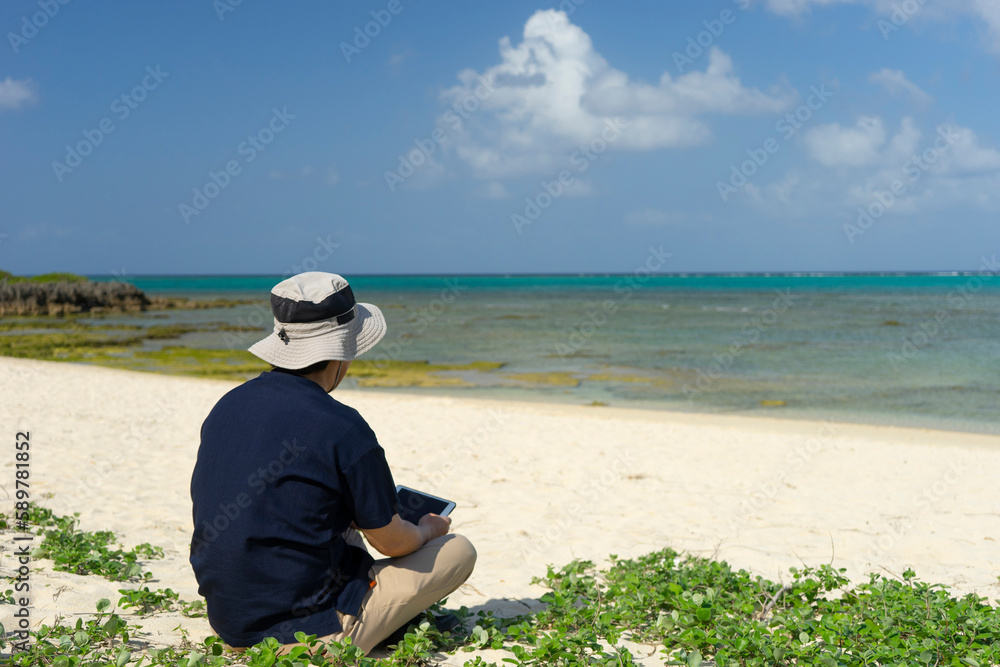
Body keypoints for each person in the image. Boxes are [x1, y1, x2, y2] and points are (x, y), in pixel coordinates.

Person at [189, 272, 476, 654]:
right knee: (459, 550)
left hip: (229, 620)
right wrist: (426, 530)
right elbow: (393, 544)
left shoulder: (228, 405)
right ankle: (366, 626)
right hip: (307, 634)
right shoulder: (342, 426)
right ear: (341, 352)